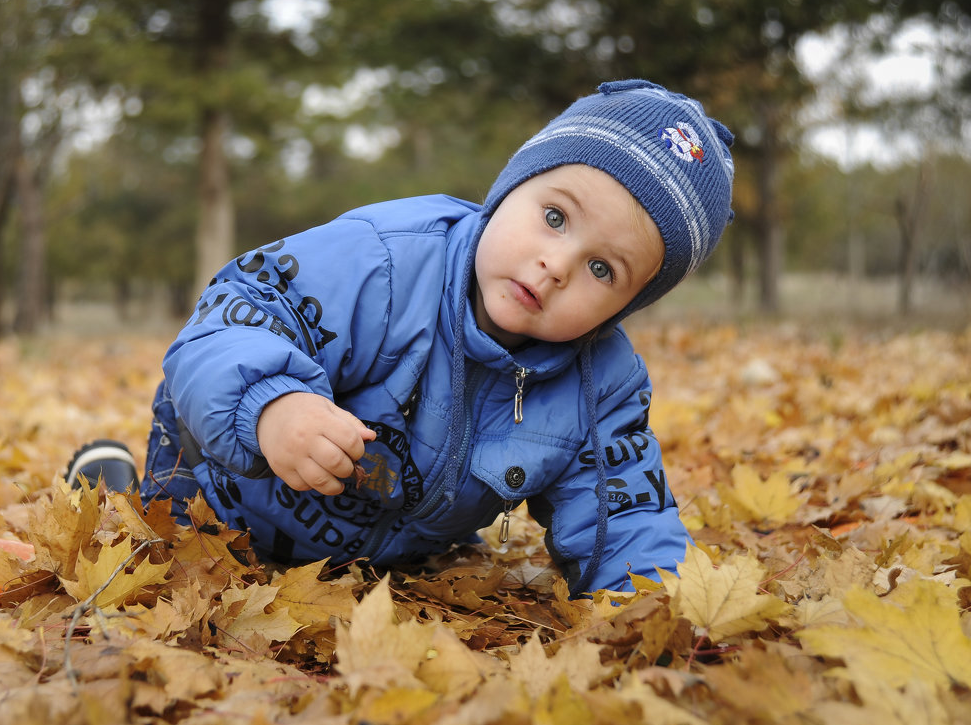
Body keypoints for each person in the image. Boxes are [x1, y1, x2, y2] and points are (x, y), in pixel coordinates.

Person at [66, 79, 735, 596]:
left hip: (384, 558)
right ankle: (112, 482)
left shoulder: (601, 383)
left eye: (602, 269)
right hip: (225, 493)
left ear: (628, 303)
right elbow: (238, 309)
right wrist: (273, 404)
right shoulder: (385, 263)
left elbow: (624, 516)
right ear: (510, 188)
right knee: (151, 558)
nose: (556, 266)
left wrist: (656, 608)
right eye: (555, 216)